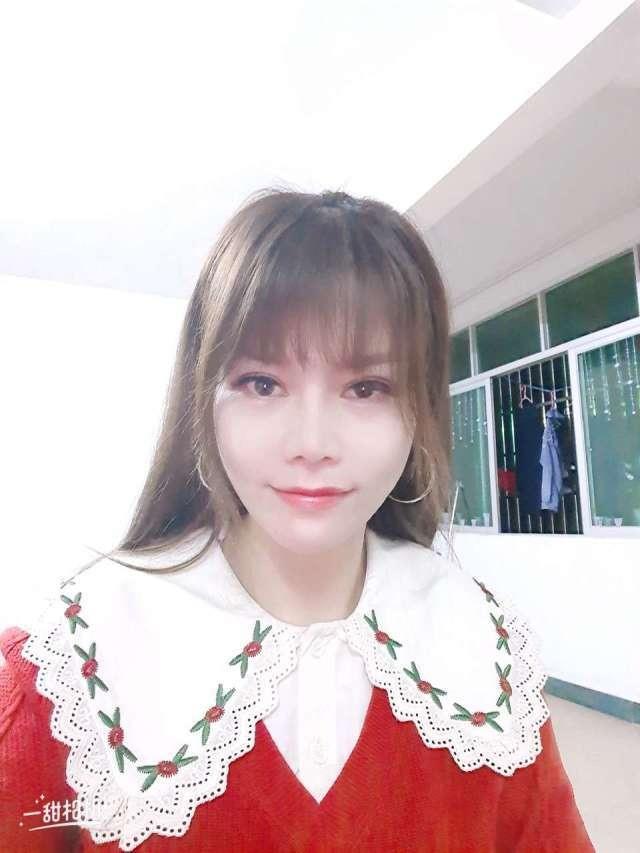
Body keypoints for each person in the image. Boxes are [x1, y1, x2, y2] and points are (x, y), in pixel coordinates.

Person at [0, 188, 594, 852]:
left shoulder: (484, 655)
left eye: (366, 387)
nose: (312, 443)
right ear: (203, 400)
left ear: (419, 409)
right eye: (262, 383)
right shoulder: (77, 662)